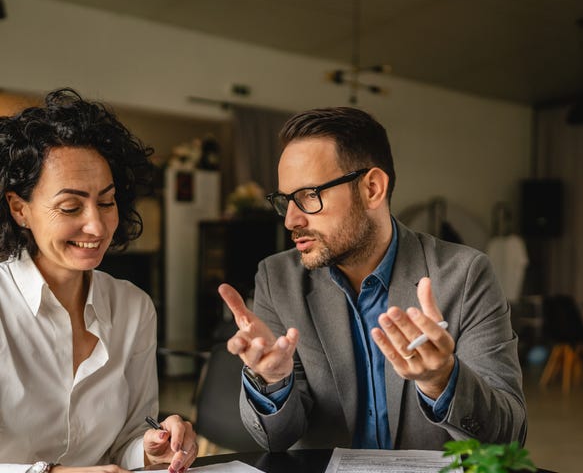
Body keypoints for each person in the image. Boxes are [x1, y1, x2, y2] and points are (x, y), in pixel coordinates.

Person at [218, 106, 527, 452]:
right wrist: (274, 382)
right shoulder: (277, 280)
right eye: (285, 200)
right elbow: (276, 439)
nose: (291, 220)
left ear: (373, 189)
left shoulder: (466, 276)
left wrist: (443, 381)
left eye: (308, 196)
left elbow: (509, 437)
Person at [0, 89, 197, 473]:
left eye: (106, 202)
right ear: (19, 208)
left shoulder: (133, 307)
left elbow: (126, 439)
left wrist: (150, 448)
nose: (97, 224)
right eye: (71, 206)